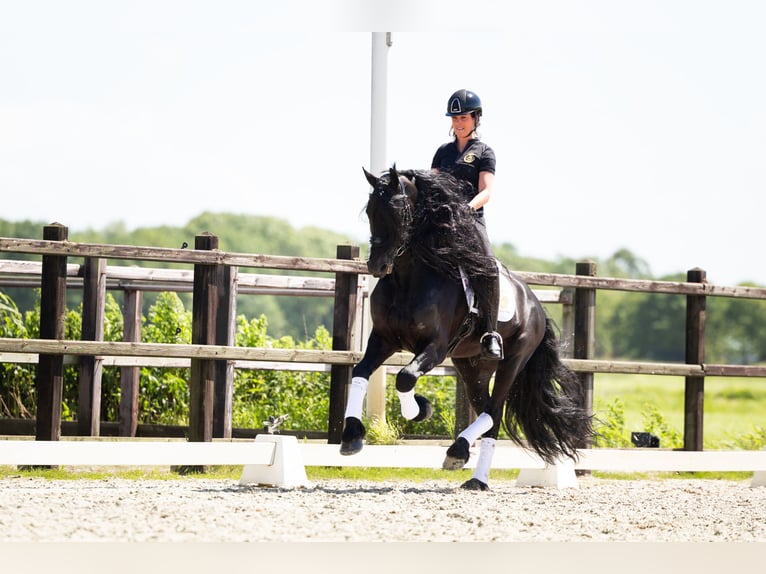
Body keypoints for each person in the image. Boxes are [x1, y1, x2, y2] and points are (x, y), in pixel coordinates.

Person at [431, 89, 503, 360]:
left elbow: (486, 191)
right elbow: (433, 183)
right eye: (454, 118)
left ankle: (490, 333)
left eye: (463, 117)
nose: (458, 122)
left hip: (471, 221)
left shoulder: (484, 152)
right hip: (442, 221)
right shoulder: (443, 152)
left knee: (488, 267)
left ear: (476, 118)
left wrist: (466, 208)